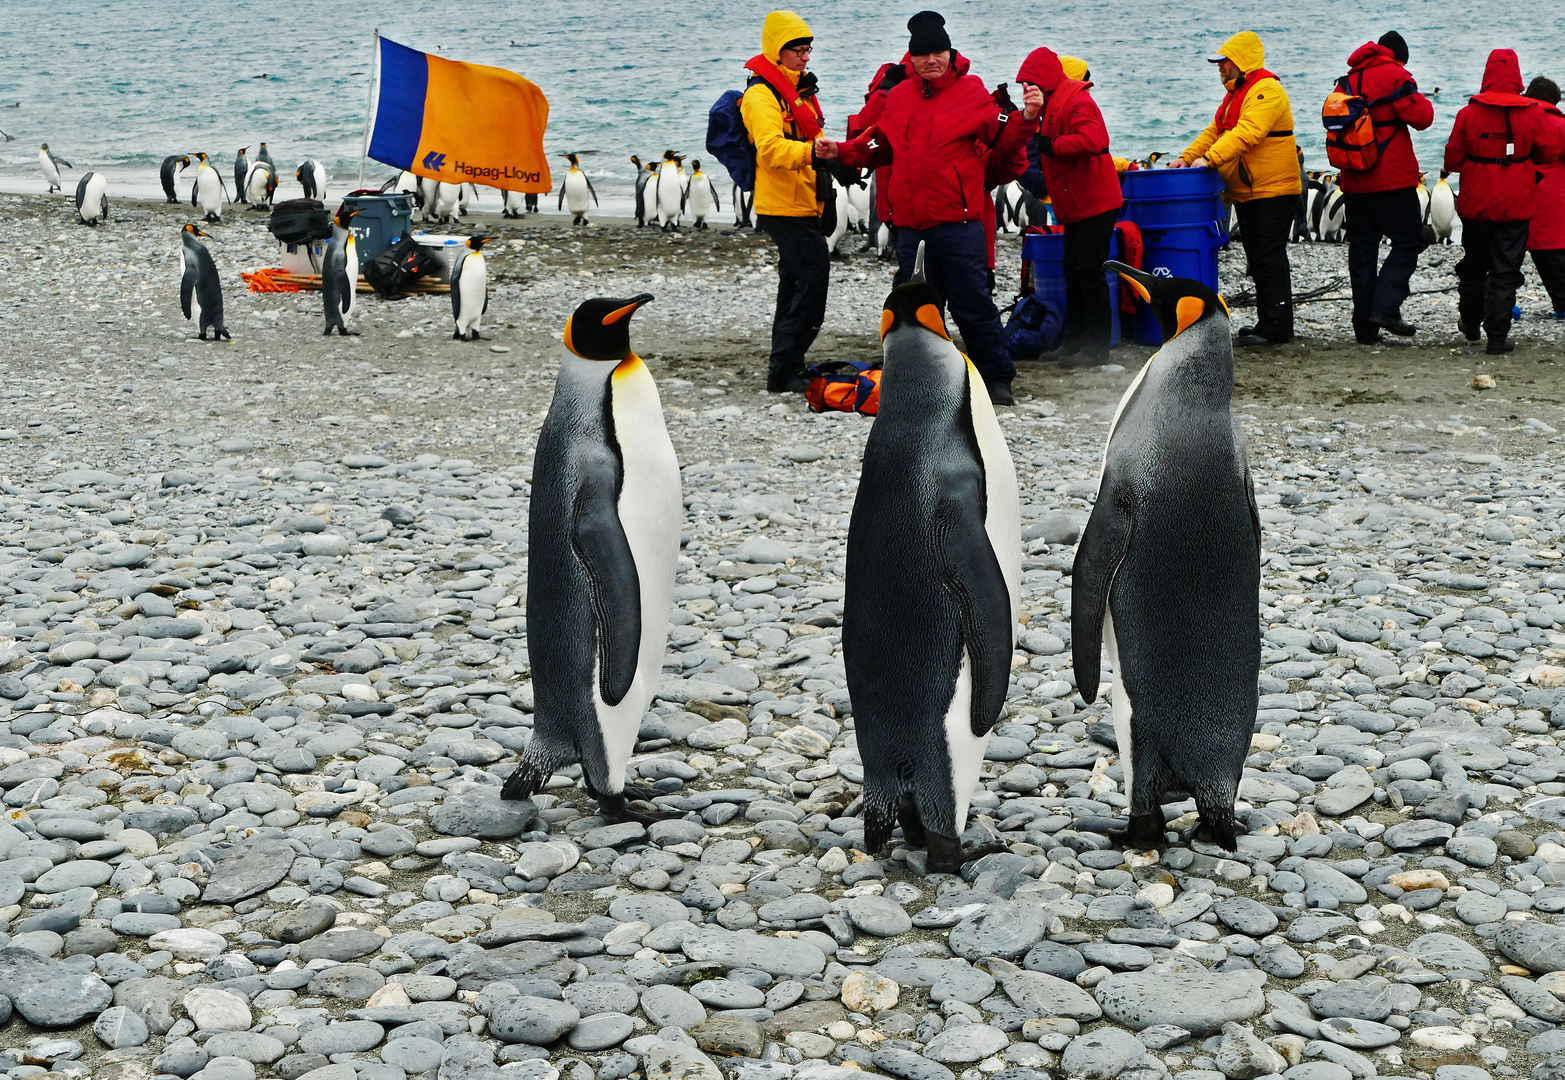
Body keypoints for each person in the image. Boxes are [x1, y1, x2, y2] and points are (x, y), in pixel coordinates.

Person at [815, 11, 1043, 405]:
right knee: (918, 308)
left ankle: (996, 379)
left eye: (939, 52)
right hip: (911, 226)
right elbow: (880, 143)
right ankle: (924, 376)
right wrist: (844, 151)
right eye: (923, 55)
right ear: (912, 59)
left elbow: (1004, 139)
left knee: (973, 304)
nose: (932, 61)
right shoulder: (900, 95)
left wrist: (1027, 118)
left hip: (960, 223)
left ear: (950, 55)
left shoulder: (972, 91)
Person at [1171, 31, 1301, 347]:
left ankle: (1277, 327)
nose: (1220, 67)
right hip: (1251, 190)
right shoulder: (1236, 95)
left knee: (1268, 256)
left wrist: (1210, 160)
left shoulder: (1266, 91)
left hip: (1274, 190)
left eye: (1224, 61)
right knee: (1258, 255)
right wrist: (1187, 158)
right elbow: (1216, 131)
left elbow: (1247, 133)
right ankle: (1269, 321)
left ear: (1241, 62)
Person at [1444, 49, 1562, 354]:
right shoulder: (1534, 111)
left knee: (1473, 267)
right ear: (1516, 76)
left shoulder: (1467, 113)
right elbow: (1548, 153)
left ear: (1487, 75)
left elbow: (1453, 159)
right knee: (1505, 271)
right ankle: (1497, 337)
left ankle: (1471, 325)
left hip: (1476, 202)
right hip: (1516, 202)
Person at [740, 10, 831, 394]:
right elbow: (770, 148)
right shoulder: (761, 95)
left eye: (807, 49)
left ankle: (786, 368)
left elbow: (814, 137)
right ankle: (784, 370)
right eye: (797, 50)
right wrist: (814, 155)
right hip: (781, 206)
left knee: (795, 285)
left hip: (806, 202)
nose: (805, 57)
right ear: (777, 51)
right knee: (812, 284)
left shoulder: (799, 93)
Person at [1015, 47, 1124, 366]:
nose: (1026, 89)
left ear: (1046, 79)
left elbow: (1096, 140)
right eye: (1023, 85)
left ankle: (1096, 348)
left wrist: (1053, 146)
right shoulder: (1052, 103)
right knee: (1072, 271)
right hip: (1076, 203)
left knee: (1090, 272)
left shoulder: (1076, 100)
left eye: (1030, 83)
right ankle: (1074, 341)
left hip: (1096, 201)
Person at [1335, 32, 1435, 344]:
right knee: (1409, 240)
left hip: (1354, 179)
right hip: (1392, 180)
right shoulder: (1396, 75)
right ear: (1398, 57)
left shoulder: (1346, 82)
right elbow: (1423, 118)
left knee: (1362, 251)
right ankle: (1386, 306)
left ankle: (1365, 328)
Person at [1524, 77, 1565, 319]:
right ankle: (1562, 304)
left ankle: (1494, 308)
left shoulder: (1515, 121)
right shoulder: (1559, 126)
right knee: (1555, 259)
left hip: (1512, 198)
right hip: (1550, 204)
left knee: (1503, 259)